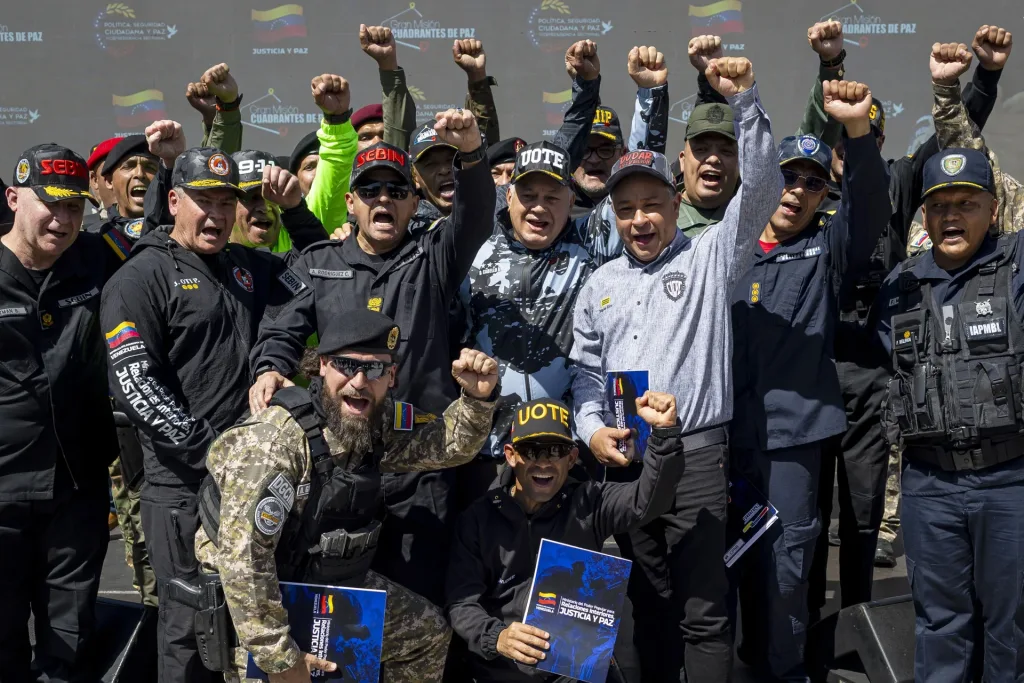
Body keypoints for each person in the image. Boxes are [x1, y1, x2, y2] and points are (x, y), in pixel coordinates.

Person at [571, 56, 782, 683]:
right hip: (626, 459)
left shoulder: (714, 257)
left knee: (703, 612)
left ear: (677, 199)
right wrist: (591, 431)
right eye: (627, 209)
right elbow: (585, 374)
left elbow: (765, 185)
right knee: (644, 607)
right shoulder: (598, 284)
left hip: (694, 456)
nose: (639, 220)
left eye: (652, 205)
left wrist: (745, 98)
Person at [248, 109, 495, 606]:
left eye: (397, 191)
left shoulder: (433, 257)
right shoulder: (318, 263)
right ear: (350, 204)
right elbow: (281, 328)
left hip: (421, 464)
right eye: (370, 191)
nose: (384, 199)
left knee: (418, 609)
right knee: (336, 609)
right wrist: (270, 367)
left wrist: (471, 155)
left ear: (414, 203)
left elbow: (474, 218)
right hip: (337, 468)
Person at [804, 26, 1011, 606]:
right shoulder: (802, 197)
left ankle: (860, 624)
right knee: (810, 513)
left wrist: (984, 79)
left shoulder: (896, 182)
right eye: (841, 143)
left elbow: (954, 143)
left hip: (874, 370)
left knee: (865, 513)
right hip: (813, 371)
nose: (849, 152)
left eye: (862, 138)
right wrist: (829, 66)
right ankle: (810, 629)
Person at [194, 309, 500, 682]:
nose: (358, 382)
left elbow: (448, 445)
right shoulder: (273, 442)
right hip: (255, 601)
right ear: (321, 365)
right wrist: (282, 661)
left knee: (427, 633)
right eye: (345, 365)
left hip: (323, 580)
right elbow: (244, 562)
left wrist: (477, 399)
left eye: (373, 370)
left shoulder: (377, 421)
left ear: (391, 377)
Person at [100, 131, 303, 682]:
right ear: (174, 201)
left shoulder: (247, 265)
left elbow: (313, 286)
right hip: (181, 489)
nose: (215, 214)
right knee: (191, 631)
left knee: (254, 626)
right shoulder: (139, 277)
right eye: (203, 200)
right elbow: (134, 385)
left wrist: (273, 358)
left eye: (225, 201)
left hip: (253, 485)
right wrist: (211, 454)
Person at [729, 81, 892, 681]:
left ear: (826, 193)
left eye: (812, 183)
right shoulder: (727, 251)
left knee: (786, 570)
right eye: (787, 177)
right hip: (719, 440)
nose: (796, 192)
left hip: (791, 444)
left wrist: (855, 134)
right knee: (719, 570)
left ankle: (787, 672)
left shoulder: (826, 253)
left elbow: (870, 207)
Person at [875, 147, 1024, 683]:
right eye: (939, 206)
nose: (952, 216)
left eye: (967, 203)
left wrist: (964, 87)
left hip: (1009, 480)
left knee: (1012, 627)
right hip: (930, 483)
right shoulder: (900, 286)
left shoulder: (1016, 270)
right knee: (940, 624)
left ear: (994, 210)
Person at [446, 394, 686, 682]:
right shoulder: (477, 518)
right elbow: (461, 603)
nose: (544, 463)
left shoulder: (590, 500)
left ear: (572, 458)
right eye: (532, 451)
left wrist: (664, 436)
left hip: (575, 670)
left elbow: (648, 502)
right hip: (504, 671)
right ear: (511, 455)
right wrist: (497, 637)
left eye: (555, 450)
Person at [0, 144, 123, 682]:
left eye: (75, 206)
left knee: (69, 641)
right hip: (2, 489)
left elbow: (174, 231)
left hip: (78, 487)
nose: (64, 218)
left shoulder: (99, 256)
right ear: (12, 199)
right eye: (50, 204)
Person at [229, 149, 327, 258]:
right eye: (252, 197)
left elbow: (318, 258)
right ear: (227, 206)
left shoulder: (287, 264)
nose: (265, 207)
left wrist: (296, 209)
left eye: (272, 197)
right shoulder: (212, 263)